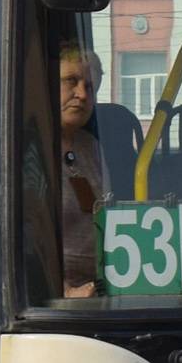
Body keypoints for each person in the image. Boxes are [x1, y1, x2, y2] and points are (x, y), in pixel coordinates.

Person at [57, 44, 119, 297]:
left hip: (101, 286)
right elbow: (22, 239)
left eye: (90, 87)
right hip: (56, 296)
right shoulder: (31, 148)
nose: (82, 94)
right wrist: (66, 292)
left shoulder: (91, 146)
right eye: (71, 81)